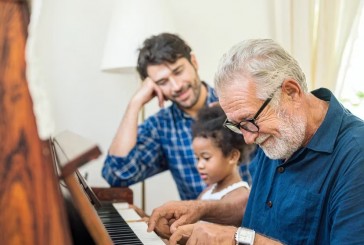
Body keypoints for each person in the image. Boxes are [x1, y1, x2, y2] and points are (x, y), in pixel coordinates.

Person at [147, 39, 364, 245]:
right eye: (237, 125)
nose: (248, 138)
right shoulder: (278, 134)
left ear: (291, 92)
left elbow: (245, 236)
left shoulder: (356, 155)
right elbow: (261, 212)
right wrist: (201, 211)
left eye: (248, 120)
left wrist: (238, 239)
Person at [102, 33, 251, 200]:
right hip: (196, 225)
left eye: (178, 71)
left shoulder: (234, 103)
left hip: (253, 220)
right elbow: (116, 175)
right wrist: (134, 104)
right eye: (162, 82)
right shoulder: (161, 126)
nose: (176, 86)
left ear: (193, 62)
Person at [192, 105, 254, 201]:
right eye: (197, 158)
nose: (199, 165)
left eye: (206, 158)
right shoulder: (207, 192)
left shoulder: (241, 196)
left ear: (232, 156)